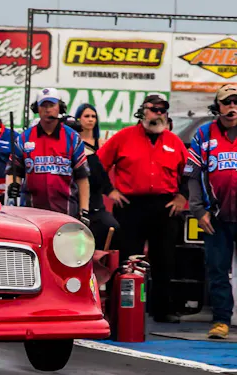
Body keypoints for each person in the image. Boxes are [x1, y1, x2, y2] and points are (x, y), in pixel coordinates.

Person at [97, 94, 189, 323]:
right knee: (128, 260)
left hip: (164, 206)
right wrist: (110, 190)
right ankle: (122, 310)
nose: (158, 114)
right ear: (142, 112)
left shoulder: (174, 142)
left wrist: (182, 197)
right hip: (131, 206)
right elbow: (97, 165)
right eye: (153, 109)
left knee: (164, 260)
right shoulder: (124, 137)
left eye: (162, 110)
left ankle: (162, 310)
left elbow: (189, 173)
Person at [184, 83, 237, 338]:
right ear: (217, 107)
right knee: (217, 269)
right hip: (215, 215)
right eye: (227, 102)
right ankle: (221, 321)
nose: (232, 107)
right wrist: (197, 210)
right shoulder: (204, 134)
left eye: (236, 102)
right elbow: (192, 174)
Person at [6, 88, 91, 225]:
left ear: (60, 108)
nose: (48, 110)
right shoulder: (23, 138)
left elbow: (82, 177)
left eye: (51, 105)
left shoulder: (73, 138)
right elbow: (14, 170)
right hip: (31, 213)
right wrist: (13, 185)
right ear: (37, 109)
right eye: (43, 106)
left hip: (66, 212)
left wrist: (84, 210)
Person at [74, 103, 119, 250]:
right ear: (78, 119)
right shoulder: (75, 144)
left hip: (98, 193)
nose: (90, 119)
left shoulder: (103, 144)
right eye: (86, 116)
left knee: (112, 226)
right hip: (81, 190)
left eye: (93, 116)